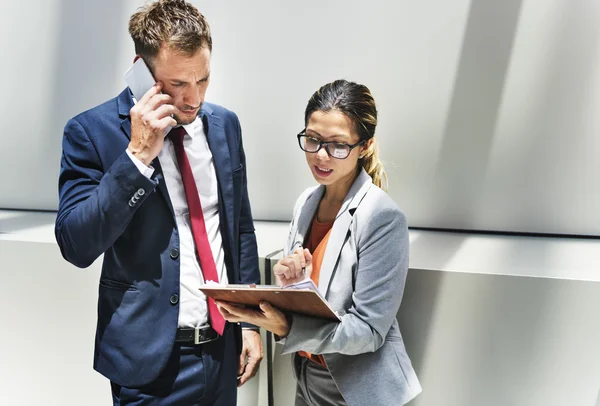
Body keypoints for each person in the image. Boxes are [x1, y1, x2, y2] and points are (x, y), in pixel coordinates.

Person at [54, 1, 262, 404]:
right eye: (178, 83)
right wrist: (136, 157)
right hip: (149, 365)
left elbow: (239, 228)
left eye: (202, 80)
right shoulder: (91, 132)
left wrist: (250, 322)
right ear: (142, 70)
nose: (193, 98)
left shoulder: (224, 125)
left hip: (222, 350)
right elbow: (76, 245)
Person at [217, 79, 422, 405]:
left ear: (364, 146)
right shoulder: (306, 203)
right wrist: (291, 285)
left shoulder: (382, 218)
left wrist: (287, 326)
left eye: (337, 145)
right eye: (313, 139)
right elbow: (316, 302)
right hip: (307, 374)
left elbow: (369, 332)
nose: (321, 156)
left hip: (357, 389)